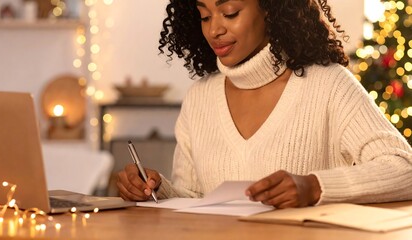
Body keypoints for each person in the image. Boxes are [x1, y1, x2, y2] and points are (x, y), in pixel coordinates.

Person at [117, 0, 412, 208]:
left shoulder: (329, 84)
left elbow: (403, 168)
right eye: (205, 16)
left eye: (229, 13)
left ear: (271, 9)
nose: (213, 30)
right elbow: (195, 199)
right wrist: (155, 189)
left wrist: (314, 187)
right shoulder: (200, 97)